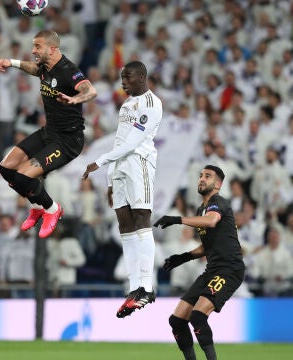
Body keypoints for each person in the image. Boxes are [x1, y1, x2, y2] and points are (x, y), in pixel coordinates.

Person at [0, 30, 97, 238]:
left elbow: (90, 90)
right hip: (49, 131)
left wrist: (75, 99)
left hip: (68, 141)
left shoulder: (69, 70)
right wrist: (11, 62)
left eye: (37, 47)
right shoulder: (45, 67)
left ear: (52, 49)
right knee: (6, 168)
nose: (33, 50)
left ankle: (52, 209)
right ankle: (37, 206)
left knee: (24, 175)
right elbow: (35, 70)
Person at [82, 61, 163, 318]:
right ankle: (134, 287)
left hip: (139, 162)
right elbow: (120, 139)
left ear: (141, 77)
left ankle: (148, 287)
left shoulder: (152, 104)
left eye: (126, 77)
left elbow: (134, 141)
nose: (122, 82)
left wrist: (101, 160)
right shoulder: (127, 105)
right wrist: (109, 178)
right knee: (124, 226)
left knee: (142, 219)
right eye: (120, 78)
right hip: (119, 168)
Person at [153, 165, 245, 360]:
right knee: (177, 320)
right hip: (212, 270)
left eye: (208, 176)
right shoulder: (200, 210)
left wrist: (178, 219)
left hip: (229, 270)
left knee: (197, 316)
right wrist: (184, 257)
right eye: (201, 175)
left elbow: (211, 222)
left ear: (218, 184)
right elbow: (207, 247)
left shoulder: (218, 202)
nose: (202, 179)